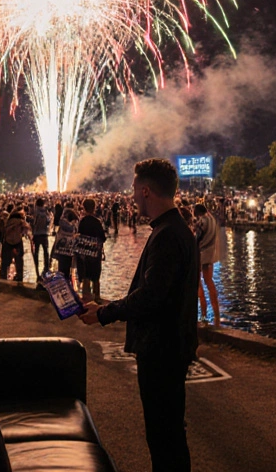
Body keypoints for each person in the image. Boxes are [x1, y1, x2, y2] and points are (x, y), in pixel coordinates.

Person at [81, 160, 197, 471]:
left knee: (163, 436)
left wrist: (104, 313)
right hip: (173, 345)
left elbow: (151, 296)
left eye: (134, 190)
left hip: (161, 349)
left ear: (146, 191)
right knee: (171, 432)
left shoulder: (167, 236)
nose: (131, 197)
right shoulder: (177, 230)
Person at [193, 203, 221, 327]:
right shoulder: (213, 220)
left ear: (197, 213)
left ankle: (203, 314)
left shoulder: (201, 222)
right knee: (210, 283)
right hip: (210, 255)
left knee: (198, 284)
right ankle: (217, 314)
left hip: (200, 255)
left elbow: (196, 239)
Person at [0, 207, 30, 282]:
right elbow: (27, 229)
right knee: (19, 261)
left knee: (5, 263)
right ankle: (19, 278)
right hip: (17, 242)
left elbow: (3, 231)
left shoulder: (8, 221)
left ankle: (3, 278)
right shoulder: (21, 221)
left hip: (8, 242)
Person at [53, 208, 78, 284]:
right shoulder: (74, 227)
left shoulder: (62, 223)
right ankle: (67, 285)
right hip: (69, 250)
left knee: (61, 270)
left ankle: (62, 285)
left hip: (61, 250)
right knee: (67, 270)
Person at [31, 197, 52, 276]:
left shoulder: (35, 212)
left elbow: (34, 223)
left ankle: (37, 270)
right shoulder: (46, 212)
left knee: (36, 252)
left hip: (37, 235)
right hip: (44, 234)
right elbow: (48, 222)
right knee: (46, 252)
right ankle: (46, 268)